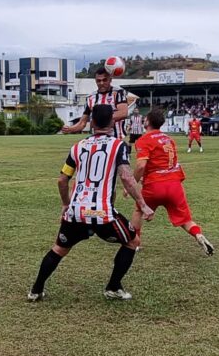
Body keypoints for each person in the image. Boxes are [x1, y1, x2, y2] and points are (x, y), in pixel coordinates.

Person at [28, 105, 154, 302]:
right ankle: (113, 287)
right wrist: (143, 204)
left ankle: (36, 290)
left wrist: (66, 204)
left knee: (59, 249)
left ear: (92, 122)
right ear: (112, 122)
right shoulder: (118, 146)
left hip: (76, 211)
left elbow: (62, 180)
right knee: (132, 242)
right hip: (101, 213)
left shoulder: (77, 147)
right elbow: (127, 178)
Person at [130, 108, 214, 256]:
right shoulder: (169, 139)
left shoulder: (144, 140)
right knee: (186, 219)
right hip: (174, 184)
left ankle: (135, 243)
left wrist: (132, 183)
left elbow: (141, 165)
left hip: (155, 185)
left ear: (147, 121)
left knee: (138, 210)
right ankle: (198, 234)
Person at [61, 67, 128, 138]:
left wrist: (99, 119)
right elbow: (82, 122)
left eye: (104, 80)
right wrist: (70, 129)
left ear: (110, 80)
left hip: (116, 138)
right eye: (98, 81)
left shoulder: (118, 93)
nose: (101, 83)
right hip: (97, 140)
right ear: (95, 81)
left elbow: (123, 113)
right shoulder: (90, 98)